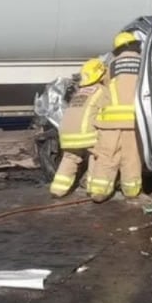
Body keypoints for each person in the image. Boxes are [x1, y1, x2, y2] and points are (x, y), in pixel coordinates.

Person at [88, 31, 144, 202]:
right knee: (131, 158)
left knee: (106, 157)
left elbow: (103, 88)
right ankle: (131, 191)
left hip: (109, 123)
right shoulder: (145, 63)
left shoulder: (110, 65)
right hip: (134, 122)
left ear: (117, 49)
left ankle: (98, 192)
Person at [49, 58, 109, 198]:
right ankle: (92, 188)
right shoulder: (102, 91)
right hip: (85, 134)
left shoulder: (80, 92)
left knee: (70, 158)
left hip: (66, 134)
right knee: (96, 156)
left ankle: (57, 190)